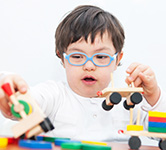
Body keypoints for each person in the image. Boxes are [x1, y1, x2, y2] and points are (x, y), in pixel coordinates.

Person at [0, 5, 165, 142]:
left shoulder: (129, 103)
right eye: (77, 56)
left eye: (101, 57)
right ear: (62, 58)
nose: (89, 65)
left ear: (117, 60)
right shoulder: (55, 95)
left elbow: (162, 134)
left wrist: (154, 97)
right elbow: (29, 103)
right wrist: (13, 93)